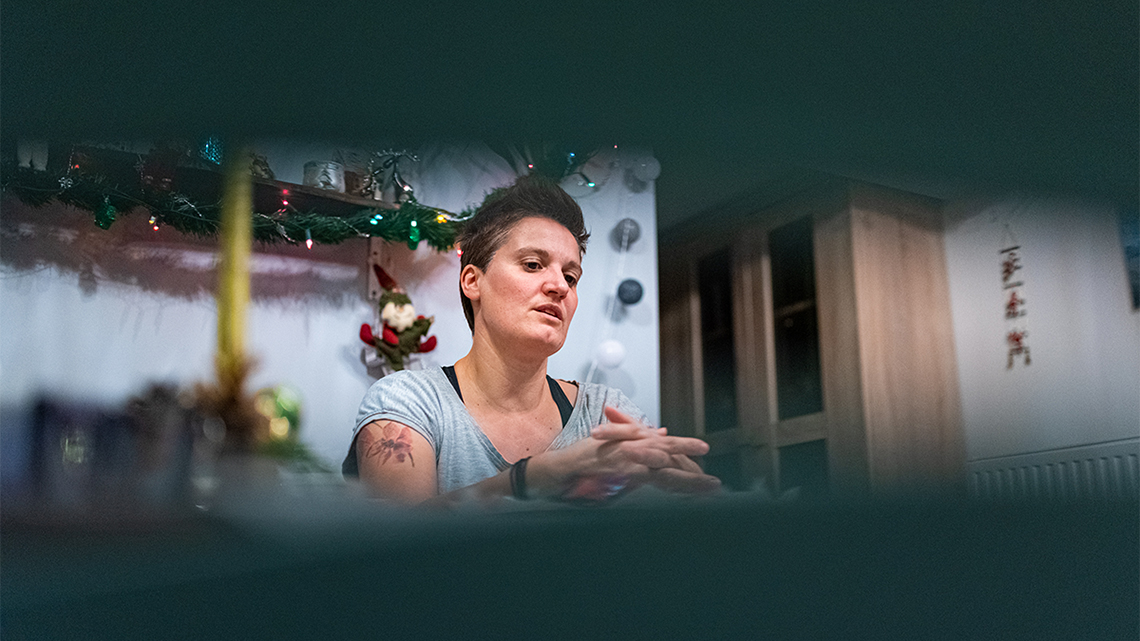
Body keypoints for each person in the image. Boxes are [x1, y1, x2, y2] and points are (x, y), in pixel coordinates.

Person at [343, 175, 720, 505]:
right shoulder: (409, 401)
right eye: (533, 265)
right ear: (472, 281)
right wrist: (529, 479)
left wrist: (682, 493)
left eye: (571, 277)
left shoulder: (604, 412)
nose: (559, 286)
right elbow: (397, 544)